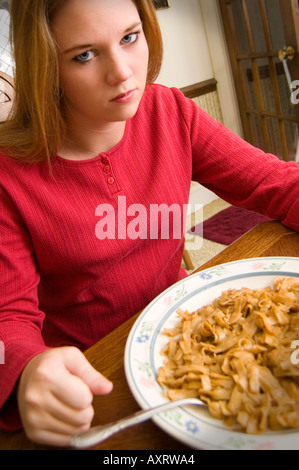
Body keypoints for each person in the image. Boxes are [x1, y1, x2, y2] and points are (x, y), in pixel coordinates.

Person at [0, 0, 298, 448]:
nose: (122, 73)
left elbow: (272, 182)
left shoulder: (170, 111)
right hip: (91, 377)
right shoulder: (8, 174)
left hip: (194, 334)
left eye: (129, 37)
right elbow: (8, 318)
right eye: (84, 54)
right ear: (45, 65)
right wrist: (25, 371)